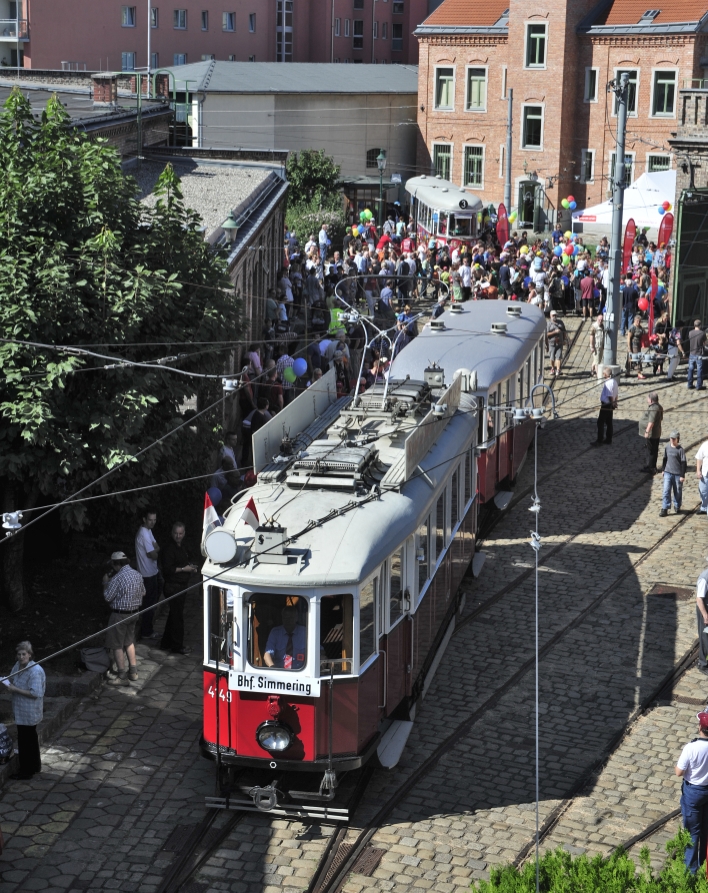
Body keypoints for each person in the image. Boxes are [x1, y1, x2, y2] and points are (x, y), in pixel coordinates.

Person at [2, 641, 45, 779]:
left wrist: (15, 689)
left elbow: (35, 693)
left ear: (30, 655)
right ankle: (34, 766)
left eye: (24, 654)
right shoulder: (18, 666)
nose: (21, 657)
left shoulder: (35, 671)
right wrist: (7, 683)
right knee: (28, 739)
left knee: (27, 741)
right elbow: (12, 678)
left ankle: (26, 771)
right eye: (19, 654)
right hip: (20, 710)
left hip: (29, 712)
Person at [102, 552, 145, 686]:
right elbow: (144, 592)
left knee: (117, 645)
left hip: (120, 615)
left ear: (116, 564)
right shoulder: (137, 574)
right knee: (129, 641)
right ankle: (133, 672)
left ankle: (121, 675)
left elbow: (108, 597)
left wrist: (105, 583)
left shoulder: (117, 578)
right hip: (134, 613)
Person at [675, 710, 708, 873]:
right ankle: (704, 865)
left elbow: (678, 772)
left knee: (692, 832)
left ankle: (690, 871)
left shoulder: (691, 748)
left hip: (693, 792)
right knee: (706, 829)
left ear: (700, 727)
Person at [160, 523, 198, 655]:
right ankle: (177, 646)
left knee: (173, 615)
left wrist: (190, 567)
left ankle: (165, 642)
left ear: (184, 533)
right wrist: (184, 569)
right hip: (173, 586)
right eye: (176, 533)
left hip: (181, 584)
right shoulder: (169, 549)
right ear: (172, 533)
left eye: (180, 534)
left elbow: (184, 561)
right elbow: (168, 569)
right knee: (177, 617)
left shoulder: (182, 547)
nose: (178, 536)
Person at [135, 508, 160, 639]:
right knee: (148, 604)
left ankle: (147, 628)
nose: (152, 523)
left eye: (154, 520)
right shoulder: (144, 534)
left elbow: (157, 547)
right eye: (150, 520)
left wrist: (155, 551)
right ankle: (146, 631)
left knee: (151, 602)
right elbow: (153, 555)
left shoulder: (148, 531)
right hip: (147, 574)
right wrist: (155, 551)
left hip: (152, 572)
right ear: (144, 519)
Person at [264, 605, 307, 669]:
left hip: (301, 672)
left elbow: (319, 651)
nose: (288, 620)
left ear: (296, 618)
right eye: (285, 618)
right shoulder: (275, 632)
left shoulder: (305, 632)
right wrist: (273, 667)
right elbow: (267, 655)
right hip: (280, 672)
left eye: (291, 618)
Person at [660, 431, 687, 516]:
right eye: (671, 438)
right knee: (666, 490)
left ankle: (677, 505)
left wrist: (682, 475)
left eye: (674, 439)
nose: (672, 440)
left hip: (677, 474)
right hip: (668, 472)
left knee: (678, 491)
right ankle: (665, 508)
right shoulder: (667, 447)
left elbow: (683, 463)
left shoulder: (680, 450)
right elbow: (665, 459)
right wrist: (663, 469)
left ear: (677, 439)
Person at [639, 392, 663, 473]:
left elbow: (651, 422)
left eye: (648, 398)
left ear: (651, 400)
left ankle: (651, 467)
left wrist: (647, 431)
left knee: (651, 450)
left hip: (652, 434)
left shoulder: (653, 408)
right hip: (656, 432)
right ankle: (651, 465)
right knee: (653, 449)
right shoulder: (658, 406)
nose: (647, 400)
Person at [593, 366, 618, 446]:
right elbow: (616, 394)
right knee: (609, 422)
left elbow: (610, 395)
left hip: (606, 405)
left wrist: (612, 403)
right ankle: (608, 439)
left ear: (605, 374)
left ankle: (600, 440)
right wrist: (615, 402)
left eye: (603, 373)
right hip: (610, 404)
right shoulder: (614, 381)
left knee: (600, 422)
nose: (603, 374)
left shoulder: (608, 383)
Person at [545, 310, 566, 378]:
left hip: (559, 342)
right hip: (551, 343)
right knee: (552, 357)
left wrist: (564, 339)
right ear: (550, 316)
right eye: (553, 315)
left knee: (558, 356)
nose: (554, 317)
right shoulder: (548, 324)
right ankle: (552, 368)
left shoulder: (560, 322)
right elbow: (547, 334)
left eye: (555, 315)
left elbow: (564, 331)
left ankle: (558, 369)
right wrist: (555, 332)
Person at [687, 319, 706, 390]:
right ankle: (699, 385)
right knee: (699, 370)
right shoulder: (702, 333)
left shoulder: (690, 333)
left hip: (692, 353)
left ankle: (689, 384)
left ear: (694, 325)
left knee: (691, 369)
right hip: (699, 354)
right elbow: (705, 343)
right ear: (700, 325)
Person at [695, 436, 708, 514]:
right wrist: (698, 470)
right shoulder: (705, 445)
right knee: (703, 490)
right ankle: (704, 507)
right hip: (705, 473)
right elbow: (699, 458)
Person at [590, 313, 605, 377]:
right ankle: (598, 375)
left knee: (597, 359)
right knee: (597, 362)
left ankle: (592, 371)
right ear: (597, 319)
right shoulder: (594, 326)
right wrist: (592, 346)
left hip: (601, 346)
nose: (600, 321)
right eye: (599, 319)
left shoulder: (603, 326)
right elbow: (591, 337)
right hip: (596, 346)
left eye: (601, 320)